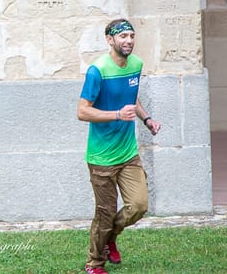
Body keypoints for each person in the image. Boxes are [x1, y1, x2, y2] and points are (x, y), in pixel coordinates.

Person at [76, 18, 161, 274]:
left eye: (132, 36)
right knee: (104, 213)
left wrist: (146, 119)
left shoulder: (135, 65)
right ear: (109, 40)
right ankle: (94, 264)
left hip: (128, 153)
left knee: (139, 205)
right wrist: (115, 115)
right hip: (101, 157)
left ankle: (110, 236)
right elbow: (82, 112)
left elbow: (130, 100)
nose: (129, 41)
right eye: (123, 36)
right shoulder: (97, 70)